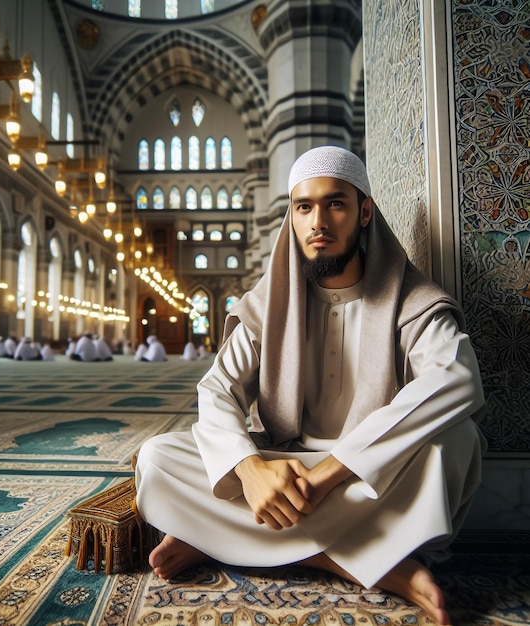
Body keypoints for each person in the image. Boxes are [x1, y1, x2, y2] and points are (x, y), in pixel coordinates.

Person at [135, 146, 486, 626]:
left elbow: (457, 378)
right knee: (156, 459)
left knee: (456, 441)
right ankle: (373, 564)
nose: (318, 220)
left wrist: (331, 474)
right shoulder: (267, 306)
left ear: (364, 212)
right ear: (292, 218)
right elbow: (216, 390)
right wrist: (251, 468)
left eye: (335, 203)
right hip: (286, 469)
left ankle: (222, 537)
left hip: (368, 475)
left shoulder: (411, 298)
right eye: (304, 207)